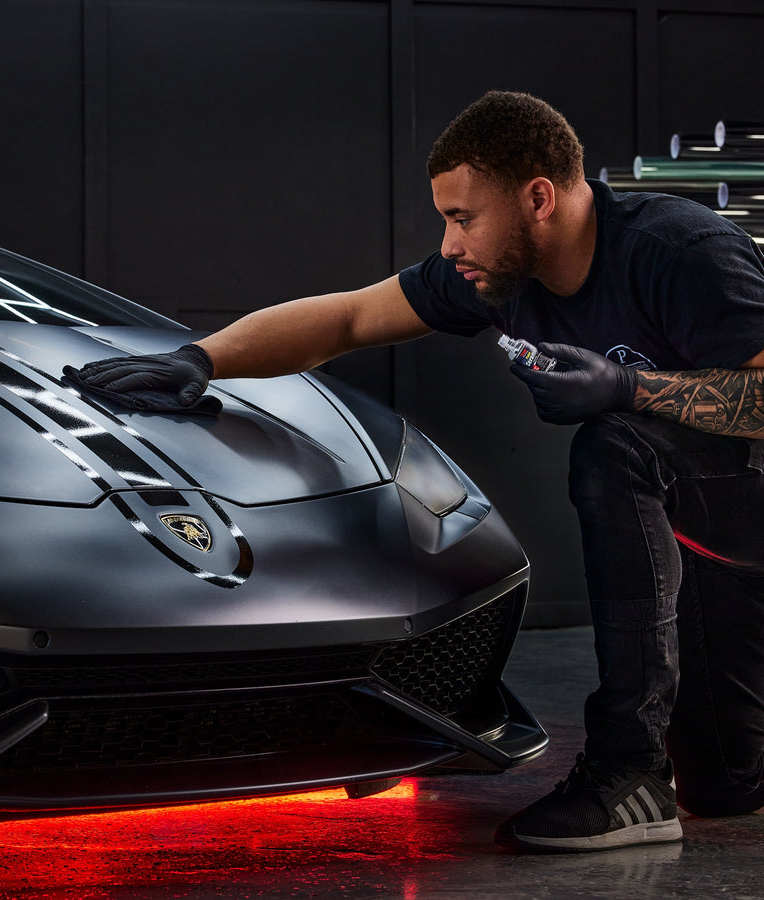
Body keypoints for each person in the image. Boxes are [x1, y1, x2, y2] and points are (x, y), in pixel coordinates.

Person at [67, 91, 764, 852]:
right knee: (725, 787)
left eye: (463, 217)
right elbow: (348, 319)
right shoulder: (499, 275)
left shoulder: (681, 250)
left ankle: (627, 768)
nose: (451, 242)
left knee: (615, 442)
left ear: (537, 197)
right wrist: (198, 359)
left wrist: (627, 387)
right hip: (705, 540)